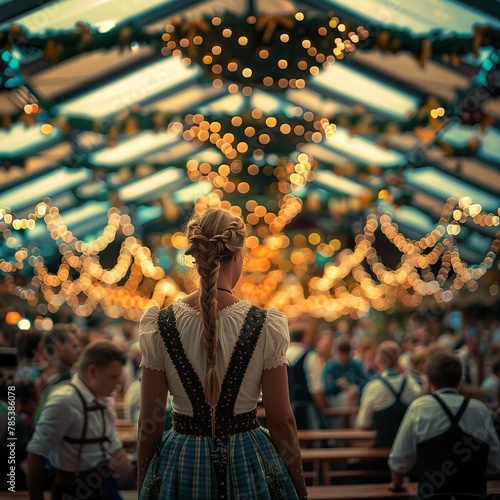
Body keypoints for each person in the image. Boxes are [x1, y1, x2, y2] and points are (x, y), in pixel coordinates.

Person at [137, 207, 307, 499]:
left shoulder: (159, 325)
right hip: (246, 457)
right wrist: (299, 488)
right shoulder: (266, 325)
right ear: (239, 256)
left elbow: (149, 422)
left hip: (182, 459)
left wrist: (145, 482)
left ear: (196, 258)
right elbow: (281, 420)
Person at [27, 340, 137, 500]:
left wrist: (139, 476)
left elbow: (114, 451)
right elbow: (36, 453)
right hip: (72, 491)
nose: (119, 383)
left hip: (99, 487)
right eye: (114, 376)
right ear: (92, 372)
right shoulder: (64, 401)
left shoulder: (102, 398)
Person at [388, 349, 500, 499]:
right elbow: (495, 464)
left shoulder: (419, 408)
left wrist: (396, 485)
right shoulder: (480, 410)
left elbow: (399, 461)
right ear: (460, 380)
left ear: (429, 381)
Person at [356, 341, 421, 448]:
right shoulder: (412, 383)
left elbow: (363, 423)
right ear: (399, 360)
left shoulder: (373, 386)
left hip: (382, 446)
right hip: (409, 448)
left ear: (379, 360)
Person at [287, 327, 329, 430]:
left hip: (284, 407)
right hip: (306, 408)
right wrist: (323, 408)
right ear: (304, 338)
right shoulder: (310, 355)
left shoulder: (282, 354)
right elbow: (315, 387)